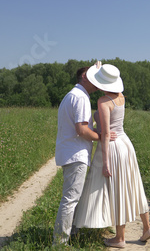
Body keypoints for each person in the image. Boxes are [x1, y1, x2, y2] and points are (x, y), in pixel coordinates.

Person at [73, 64, 150, 248]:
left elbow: (107, 133)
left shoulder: (103, 101)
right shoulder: (120, 97)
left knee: (118, 189)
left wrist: (106, 163)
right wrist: (99, 68)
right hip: (126, 143)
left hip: (113, 147)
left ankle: (120, 238)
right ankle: (147, 227)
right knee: (134, 184)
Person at [53, 63, 116, 245]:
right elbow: (81, 130)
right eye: (93, 78)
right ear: (84, 78)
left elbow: (82, 127)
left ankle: (71, 234)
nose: (97, 84)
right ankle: (59, 243)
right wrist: (102, 136)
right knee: (70, 200)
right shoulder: (81, 98)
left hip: (71, 153)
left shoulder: (73, 95)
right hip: (76, 155)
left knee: (72, 198)